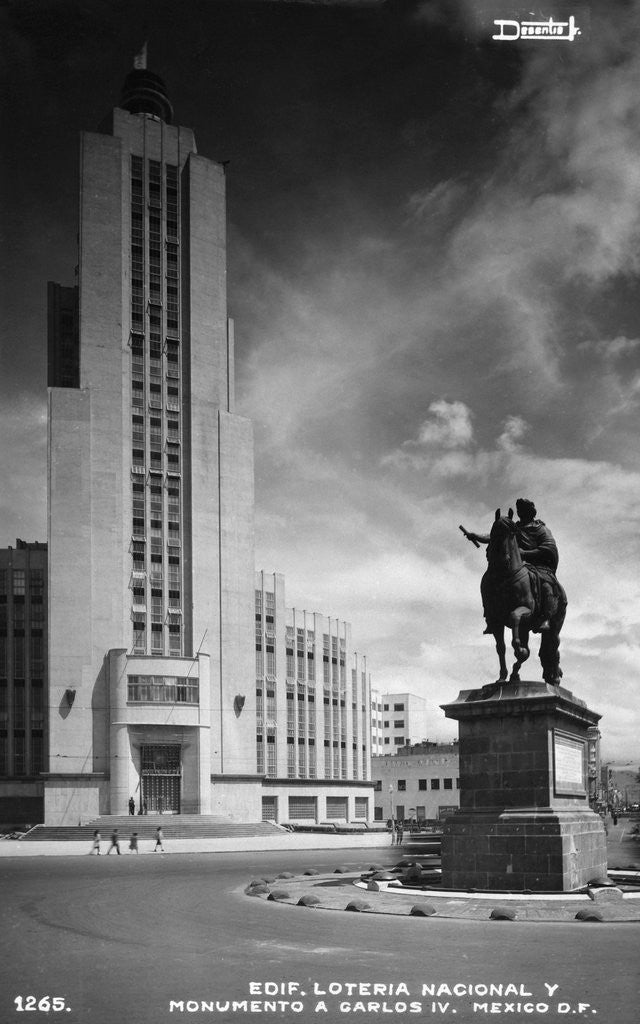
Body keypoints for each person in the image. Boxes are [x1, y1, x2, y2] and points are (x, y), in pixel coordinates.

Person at [464, 498, 559, 633]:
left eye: (523, 510)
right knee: (491, 580)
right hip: (520, 563)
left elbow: (548, 548)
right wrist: (476, 536)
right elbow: (496, 536)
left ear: (530, 512)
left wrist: (525, 552)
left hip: (539, 564)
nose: (520, 513)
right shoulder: (515, 527)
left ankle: (546, 618)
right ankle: (491, 616)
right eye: (519, 510)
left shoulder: (541, 529)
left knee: (546, 585)